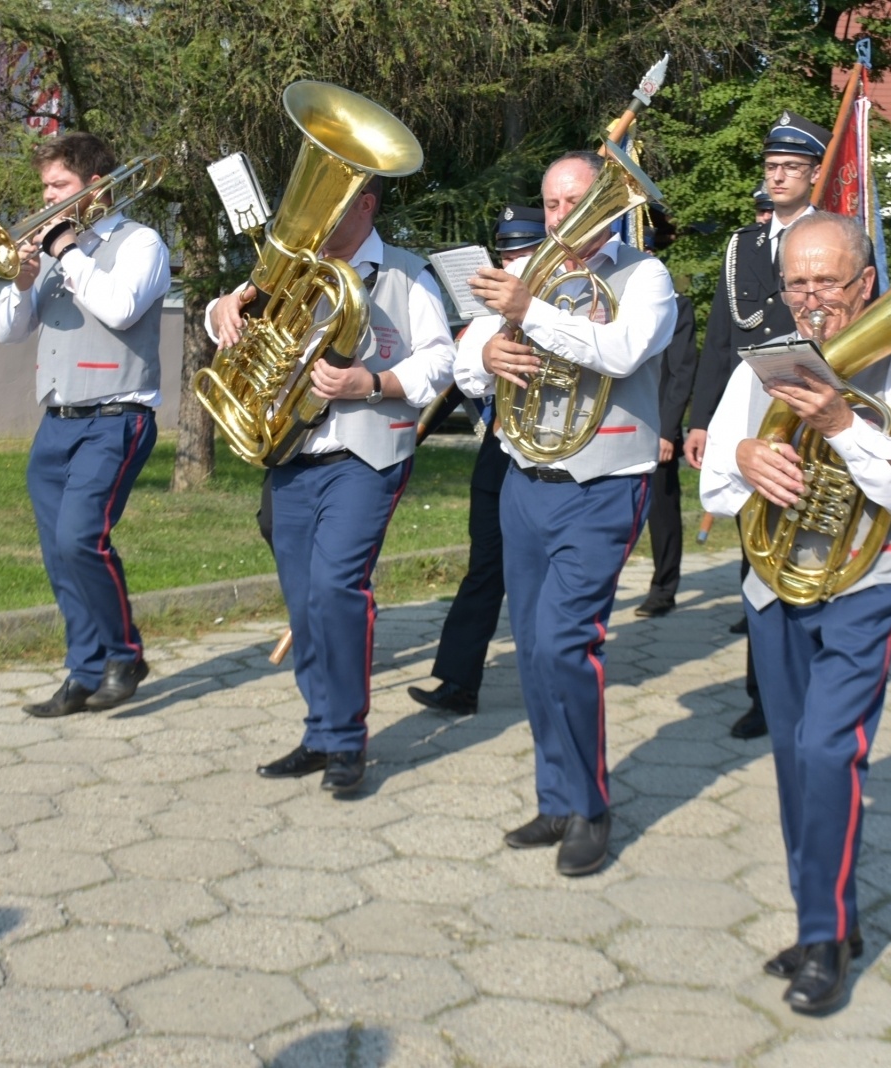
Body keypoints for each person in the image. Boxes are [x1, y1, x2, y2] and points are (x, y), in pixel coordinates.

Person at [701, 211, 891, 1014]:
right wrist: (742, 456)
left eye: (827, 284)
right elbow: (714, 479)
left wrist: (842, 427)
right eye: (797, 285)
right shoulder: (765, 363)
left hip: (868, 581)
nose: (811, 302)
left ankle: (821, 942)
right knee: (791, 759)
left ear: (866, 284)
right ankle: (832, 920)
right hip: (777, 585)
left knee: (825, 752)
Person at [458, 149, 677, 877]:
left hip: (607, 481)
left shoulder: (646, 276)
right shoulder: (531, 273)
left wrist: (530, 314)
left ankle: (591, 805)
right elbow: (463, 356)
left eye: (575, 202)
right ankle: (555, 796)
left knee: (563, 644)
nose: (560, 218)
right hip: (527, 478)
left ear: (610, 204)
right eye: (551, 205)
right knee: (530, 646)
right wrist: (488, 350)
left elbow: (620, 352)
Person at [208, 177, 456, 792]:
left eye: (332, 203)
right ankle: (320, 730)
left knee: (335, 589)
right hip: (292, 454)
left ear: (366, 206)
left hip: (366, 456)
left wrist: (369, 385)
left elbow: (441, 360)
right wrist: (222, 311)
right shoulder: (292, 271)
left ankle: (347, 741)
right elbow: (236, 327)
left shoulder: (407, 273)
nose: (313, 217)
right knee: (303, 599)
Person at [0, 132, 171, 718]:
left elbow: (120, 307)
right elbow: (6, 332)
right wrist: (21, 283)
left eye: (58, 186)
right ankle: (84, 670)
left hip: (117, 414)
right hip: (57, 418)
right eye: (44, 186)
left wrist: (67, 250)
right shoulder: (48, 252)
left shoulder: (141, 243)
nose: (45, 197)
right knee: (58, 552)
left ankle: (125, 654)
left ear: (93, 187)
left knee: (80, 538)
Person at [683, 111, 830, 738]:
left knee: (810, 534)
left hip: (814, 404)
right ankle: (764, 692)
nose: (776, 176)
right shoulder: (744, 243)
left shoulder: (832, 237)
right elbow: (720, 335)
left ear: (814, 175)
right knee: (757, 544)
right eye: (770, 167)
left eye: (790, 168)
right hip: (747, 408)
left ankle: (819, 672)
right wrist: (700, 420)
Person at [408, 206, 546, 716]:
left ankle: (550, 674)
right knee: (484, 568)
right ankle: (458, 681)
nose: (513, 261)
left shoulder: (561, 298)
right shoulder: (493, 306)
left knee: (542, 577)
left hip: (554, 454)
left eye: (522, 251)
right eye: (506, 252)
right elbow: (466, 377)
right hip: (499, 450)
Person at [637, 208, 699, 618]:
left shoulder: (676, 306)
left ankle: (664, 588)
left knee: (662, 511)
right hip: (615, 426)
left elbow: (680, 374)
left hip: (656, 425)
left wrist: (667, 430)